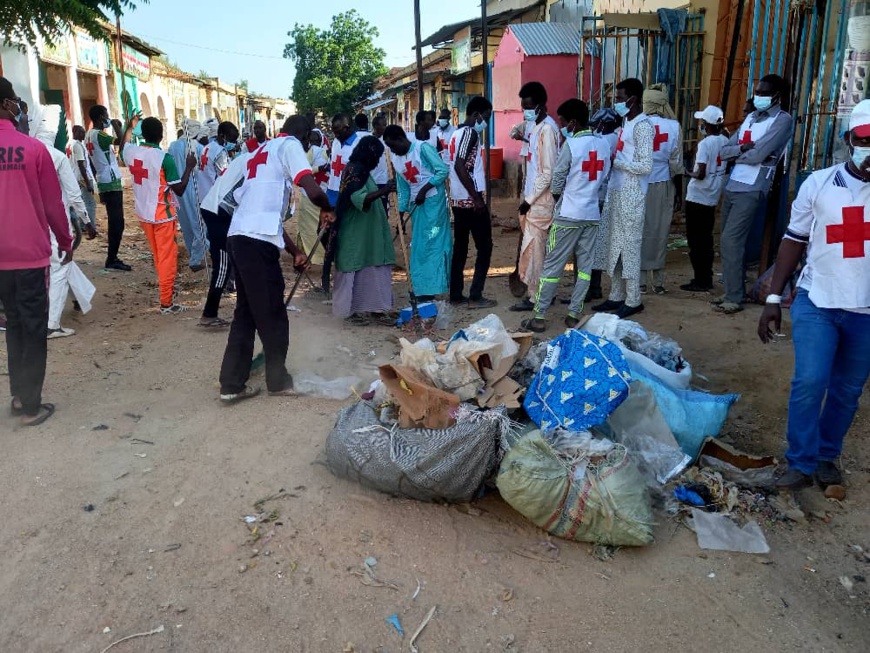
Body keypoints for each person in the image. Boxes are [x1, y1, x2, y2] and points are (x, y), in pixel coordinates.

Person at [758, 99, 870, 491]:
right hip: (818, 301)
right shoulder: (819, 183)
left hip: (866, 313)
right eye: (865, 139)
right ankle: (800, 463)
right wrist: (773, 299)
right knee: (810, 381)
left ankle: (826, 456)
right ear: (848, 139)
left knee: (847, 391)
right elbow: (793, 239)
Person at [218, 115, 333, 402]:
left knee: (246, 313)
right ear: (304, 135)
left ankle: (232, 384)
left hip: (240, 236)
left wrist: (295, 252)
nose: (308, 145)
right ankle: (278, 381)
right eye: (308, 139)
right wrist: (328, 208)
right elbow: (312, 188)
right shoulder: (290, 145)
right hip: (255, 243)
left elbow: (267, 218)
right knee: (272, 313)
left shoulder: (260, 152)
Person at [0, 77, 73, 426]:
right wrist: (66, 240)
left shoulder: (34, 148)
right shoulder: (32, 150)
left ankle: (17, 396)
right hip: (30, 254)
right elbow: (52, 205)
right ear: (4, 105)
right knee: (33, 327)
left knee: (13, 324)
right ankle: (31, 404)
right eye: (14, 100)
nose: (18, 106)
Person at [520, 99, 611, 333]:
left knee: (552, 266)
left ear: (572, 122)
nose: (561, 127)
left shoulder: (571, 145)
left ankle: (539, 316)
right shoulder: (603, 145)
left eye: (562, 122)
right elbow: (604, 178)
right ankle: (573, 314)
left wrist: (560, 197)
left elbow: (557, 180)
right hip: (591, 214)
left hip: (568, 214)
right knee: (584, 268)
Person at [715, 73, 795, 314]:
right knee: (726, 241)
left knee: (732, 240)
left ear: (777, 96)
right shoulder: (750, 117)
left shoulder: (782, 120)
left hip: (753, 186)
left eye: (763, 93)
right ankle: (733, 290)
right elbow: (724, 150)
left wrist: (739, 153)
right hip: (733, 183)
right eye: (757, 92)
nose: (758, 96)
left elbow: (760, 155)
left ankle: (733, 297)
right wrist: (742, 149)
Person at [120, 116, 197, 314]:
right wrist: (189, 167)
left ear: (143, 134)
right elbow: (179, 189)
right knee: (167, 258)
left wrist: (129, 128)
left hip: (144, 214)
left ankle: (167, 291)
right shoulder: (164, 158)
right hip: (162, 215)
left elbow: (123, 145)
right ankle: (166, 302)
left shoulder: (132, 152)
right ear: (161, 135)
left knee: (159, 256)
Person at [32, 106, 96, 339]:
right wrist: (87, 220)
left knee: (57, 262)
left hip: (28, 221)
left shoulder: (25, 151)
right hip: (54, 221)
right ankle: (51, 324)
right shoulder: (57, 156)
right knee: (60, 263)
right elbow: (73, 193)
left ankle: (83, 295)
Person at [593, 77, 654, 319]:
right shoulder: (626, 123)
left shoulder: (643, 126)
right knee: (614, 245)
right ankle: (616, 295)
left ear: (633, 99)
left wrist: (617, 163)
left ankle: (633, 299)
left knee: (629, 246)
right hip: (616, 190)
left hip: (633, 192)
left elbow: (645, 165)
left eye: (619, 99)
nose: (615, 103)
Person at [329, 136, 396, 324]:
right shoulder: (355, 170)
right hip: (355, 232)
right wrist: (384, 191)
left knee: (373, 269)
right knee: (354, 268)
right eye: (377, 156)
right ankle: (349, 312)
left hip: (370, 233)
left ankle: (375, 308)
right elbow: (359, 198)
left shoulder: (364, 171)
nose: (378, 161)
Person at [384, 125, 452, 300]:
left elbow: (442, 171)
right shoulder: (396, 159)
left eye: (393, 146)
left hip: (433, 203)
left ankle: (434, 287)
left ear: (401, 139)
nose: (392, 150)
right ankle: (421, 287)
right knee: (419, 247)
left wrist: (425, 189)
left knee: (433, 244)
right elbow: (404, 188)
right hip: (417, 206)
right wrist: (400, 212)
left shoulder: (423, 148)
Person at [511, 81, 561, 312]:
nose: (526, 111)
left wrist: (529, 200)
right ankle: (535, 293)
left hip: (540, 202)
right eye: (523, 106)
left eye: (529, 107)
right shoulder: (535, 126)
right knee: (532, 251)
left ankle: (538, 297)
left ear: (540, 105)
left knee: (535, 251)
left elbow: (548, 172)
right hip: (531, 199)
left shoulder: (549, 130)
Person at [448, 96, 497, 308]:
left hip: (458, 200)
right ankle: (476, 295)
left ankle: (456, 295)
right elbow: (460, 166)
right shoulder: (470, 133)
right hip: (470, 200)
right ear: (476, 114)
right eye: (485, 117)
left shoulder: (455, 134)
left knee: (460, 248)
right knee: (484, 248)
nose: (485, 122)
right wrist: (477, 198)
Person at [199, 145, 252, 328]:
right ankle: (209, 313)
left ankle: (242, 306)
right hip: (217, 212)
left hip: (217, 209)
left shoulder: (244, 159)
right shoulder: (253, 164)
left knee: (232, 259)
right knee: (222, 265)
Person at [639, 85, 683, 294]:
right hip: (663, 183)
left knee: (639, 231)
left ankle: (639, 280)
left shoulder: (636, 124)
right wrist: (679, 193)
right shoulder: (674, 127)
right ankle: (658, 282)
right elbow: (676, 162)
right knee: (659, 232)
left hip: (639, 184)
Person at [682, 105, 729, 292]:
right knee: (706, 240)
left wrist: (687, 172)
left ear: (707, 125)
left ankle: (700, 280)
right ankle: (706, 278)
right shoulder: (725, 141)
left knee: (695, 241)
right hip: (712, 197)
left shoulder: (705, 144)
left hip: (697, 197)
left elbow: (700, 173)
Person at [87, 104, 131, 271]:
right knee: (117, 223)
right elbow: (122, 142)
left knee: (115, 221)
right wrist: (117, 126)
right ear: (100, 118)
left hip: (103, 180)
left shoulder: (89, 135)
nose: (107, 118)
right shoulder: (100, 135)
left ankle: (112, 256)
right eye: (106, 115)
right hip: (110, 182)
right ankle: (112, 258)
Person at [323, 113, 362, 293]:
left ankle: (344, 277)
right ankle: (327, 277)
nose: (335, 135)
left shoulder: (357, 145)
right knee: (325, 235)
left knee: (343, 236)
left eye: (338, 131)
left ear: (347, 127)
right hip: (332, 195)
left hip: (347, 198)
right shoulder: (337, 143)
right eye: (333, 131)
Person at [588, 108, 621, 300]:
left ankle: (592, 288)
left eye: (597, 125)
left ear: (603, 124)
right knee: (598, 244)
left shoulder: (603, 142)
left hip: (599, 197)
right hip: (607, 196)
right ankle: (595, 286)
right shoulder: (617, 139)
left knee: (590, 245)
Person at [168, 127, 208, 271]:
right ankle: (196, 259)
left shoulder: (173, 146)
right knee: (200, 225)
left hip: (178, 189)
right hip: (194, 189)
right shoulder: (198, 147)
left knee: (186, 225)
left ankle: (194, 255)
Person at [296, 127, 330, 266]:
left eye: (317, 139)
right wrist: (318, 169)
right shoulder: (306, 154)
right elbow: (302, 172)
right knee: (305, 229)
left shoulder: (328, 153)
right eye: (312, 139)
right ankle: (303, 256)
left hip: (323, 196)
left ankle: (323, 257)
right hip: (308, 195)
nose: (314, 141)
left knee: (323, 228)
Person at [68, 125, 98, 239]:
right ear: (75, 132)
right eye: (81, 132)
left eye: (83, 132)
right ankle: (89, 226)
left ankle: (81, 224)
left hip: (75, 175)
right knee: (90, 202)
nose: (83, 134)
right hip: (83, 177)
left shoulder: (69, 144)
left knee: (80, 201)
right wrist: (88, 181)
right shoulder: (78, 145)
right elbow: (81, 164)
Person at [370, 114, 391, 210]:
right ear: (375, 126)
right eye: (383, 125)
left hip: (383, 181)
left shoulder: (387, 141)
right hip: (370, 180)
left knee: (383, 208)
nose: (385, 127)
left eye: (386, 124)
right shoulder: (367, 141)